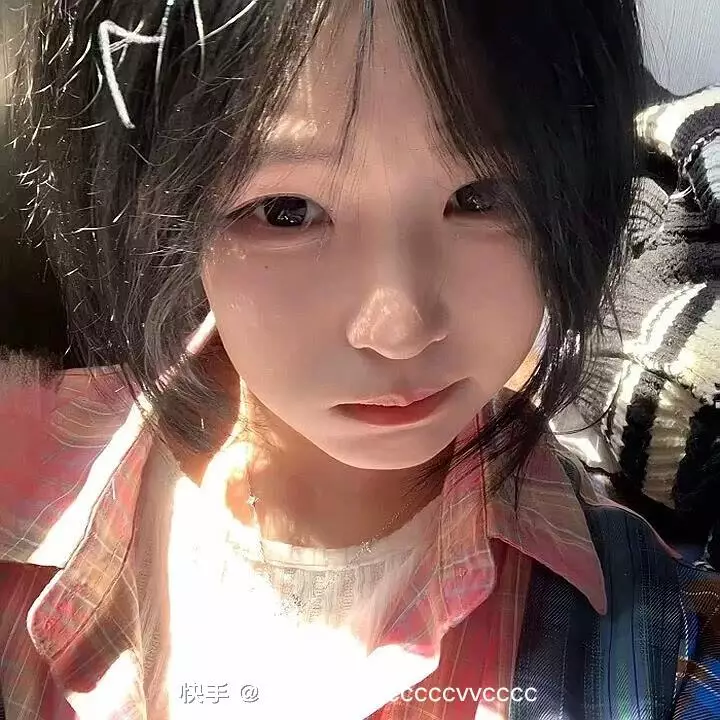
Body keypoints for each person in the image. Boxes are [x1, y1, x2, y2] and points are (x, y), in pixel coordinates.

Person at [0, 1, 718, 719]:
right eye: (287, 211)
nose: (399, 328)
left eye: (482, 197)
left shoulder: (656, 649)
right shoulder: (19, 475)